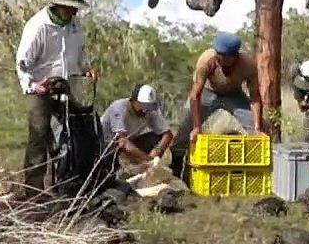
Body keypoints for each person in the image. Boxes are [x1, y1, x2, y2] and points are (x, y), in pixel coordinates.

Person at [15, 0, 97, 195]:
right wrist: (33, 85)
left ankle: (64, 182)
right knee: (39, 135)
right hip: (41, 86)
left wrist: (87, 69)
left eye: (76, 8)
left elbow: (79, 54)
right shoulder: (38, 26)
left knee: (70, 132)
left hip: (67, 85)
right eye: (71, 7)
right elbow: (23, 63)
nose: (74, 11)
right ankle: (33, 190)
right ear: (59, 5)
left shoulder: (75, 25)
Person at [170, 31, 265, 178]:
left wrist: (257, 126)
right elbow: (195, 95)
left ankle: (253, 173)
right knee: (186, 130)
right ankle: (176, 168)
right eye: (217, 52)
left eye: (221, 54)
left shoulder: (248, 65)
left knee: (260, 131)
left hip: (234, 94)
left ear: (233, 56)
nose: (217, 56)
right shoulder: (206, 60)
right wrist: (196, 126)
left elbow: (255, 97)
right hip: (208, 93)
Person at [100, 83, 173, 169]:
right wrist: (148, 161)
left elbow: (167, 135)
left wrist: (156, 152)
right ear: (134, 101)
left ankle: (141, 165)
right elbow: (122, 142)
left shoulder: (150, 110)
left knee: (157, 137)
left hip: (130, 142)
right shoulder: (118, 108)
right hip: (108, 147)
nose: (144, 110)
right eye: (142, 106)